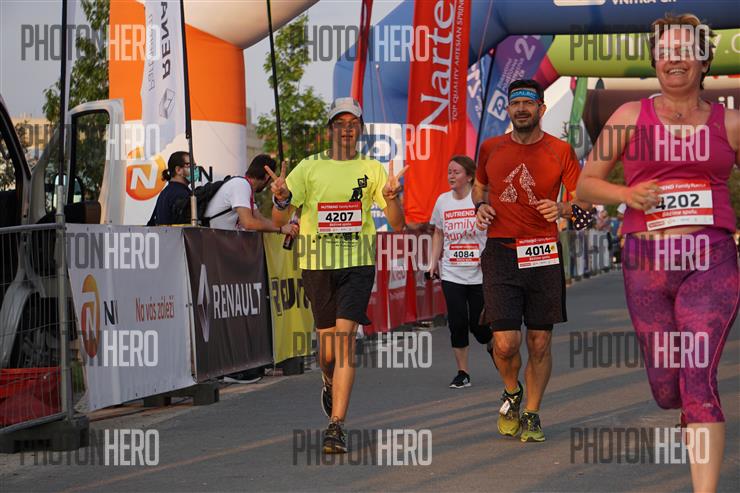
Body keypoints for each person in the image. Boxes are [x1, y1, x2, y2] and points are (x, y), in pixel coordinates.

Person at [576, 14, 738, 493]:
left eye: (686, 50)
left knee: (699, 379)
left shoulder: (730, 123)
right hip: (646, 263)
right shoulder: (630, 116)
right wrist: (627, 195)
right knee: (669, 387)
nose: (675, 59)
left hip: (711, 259)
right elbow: (586, 184)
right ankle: (686, 409)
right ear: (655, 61)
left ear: (704, 61)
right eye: (665, 51)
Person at [266, 97, 406, 454]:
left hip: (357, 264)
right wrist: (281, 198)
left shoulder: (373, 168)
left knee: (345, 342)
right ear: (330, 130)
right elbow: (279, 220)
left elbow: (397, 223)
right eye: (340, 123)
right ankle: (328, 380)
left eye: (353, 123)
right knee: (327, 351)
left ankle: (336, 426)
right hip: (317, 265)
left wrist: (391, 197)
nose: (347, 129)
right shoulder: (308, 168)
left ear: (361, 129)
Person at [473, 79, 591, 443]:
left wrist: (562, 208)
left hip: (542, 252)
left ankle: (533, 413)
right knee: (505, 343)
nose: (521, 109)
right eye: (515, 104)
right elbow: (479, 188)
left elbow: (584, 202)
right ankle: (512, 391)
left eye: (528, 103)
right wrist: (480, 207)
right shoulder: (490, 148)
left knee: (539, 342)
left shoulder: (560, 150)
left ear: (541, 108)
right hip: (501, 252)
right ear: (509, 109)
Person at [427, 155, 492, 389]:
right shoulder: (442, 201)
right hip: (452, 272)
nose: (451, 176)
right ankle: (462, 372)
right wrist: (433, 262)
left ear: (470, 176)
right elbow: (438, 233)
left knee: (478, 325)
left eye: (456, 172)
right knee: (457, 322)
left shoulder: (481, 201)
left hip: (479, 273)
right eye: (449, 172)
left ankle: (491, 342)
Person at [205, 153, 298, 237]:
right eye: (271, 181)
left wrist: (283, 226)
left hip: (219, 240)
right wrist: (280, 229)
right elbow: (248, 223)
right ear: (267, 177)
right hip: (214, 241)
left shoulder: (245, 186)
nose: (269, 185)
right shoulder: (241, 185)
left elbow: (260, 219)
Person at [147, 151, 192, 225]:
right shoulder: (180, 193)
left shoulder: (166, 192)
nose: (195, 169)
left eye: (195, 166)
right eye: (190, 165)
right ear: (178, 170)